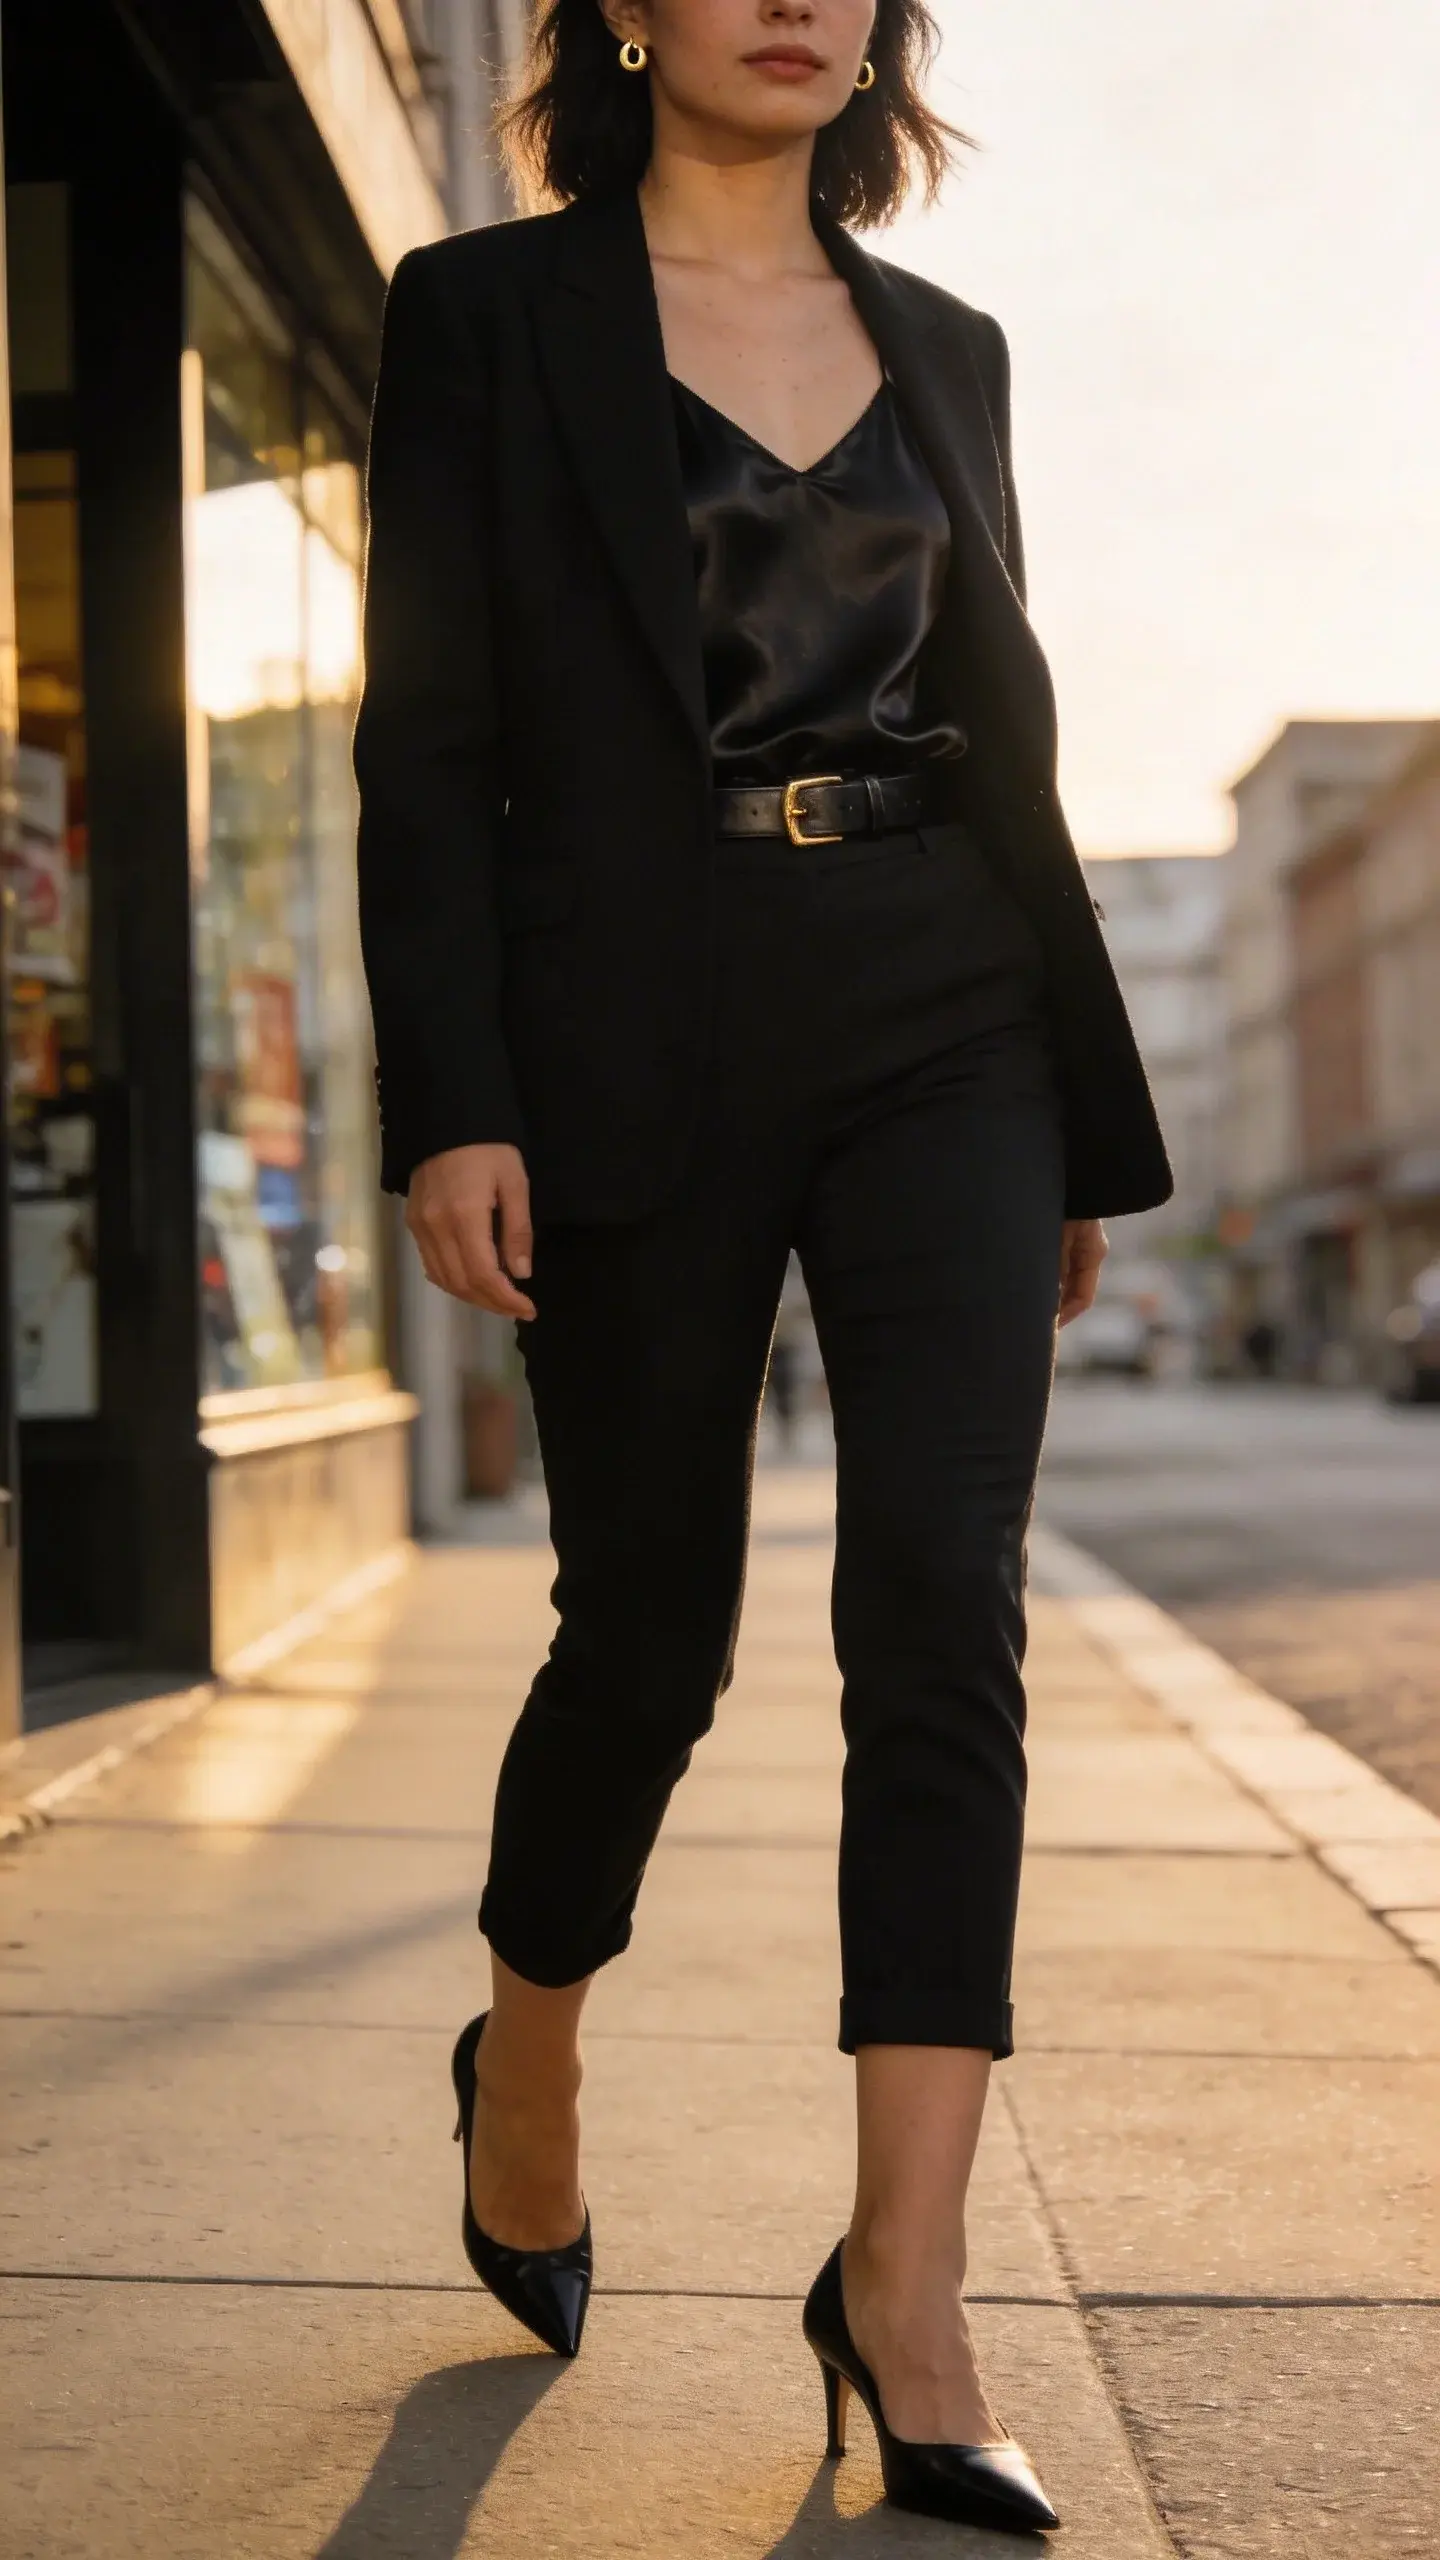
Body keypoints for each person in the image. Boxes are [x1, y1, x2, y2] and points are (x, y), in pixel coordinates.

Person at [354, 0, 1171, 2535]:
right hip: (635, 1012)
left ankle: (908, 2292)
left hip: (951, 999)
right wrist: (454, 1092)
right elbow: (424, 735)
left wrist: (1064, 1100)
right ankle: (527, 2058)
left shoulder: (951, 347)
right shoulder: (487, 314)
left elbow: (1007, 726)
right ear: (625, 6)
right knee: (649, 1635)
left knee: (942, 1597)